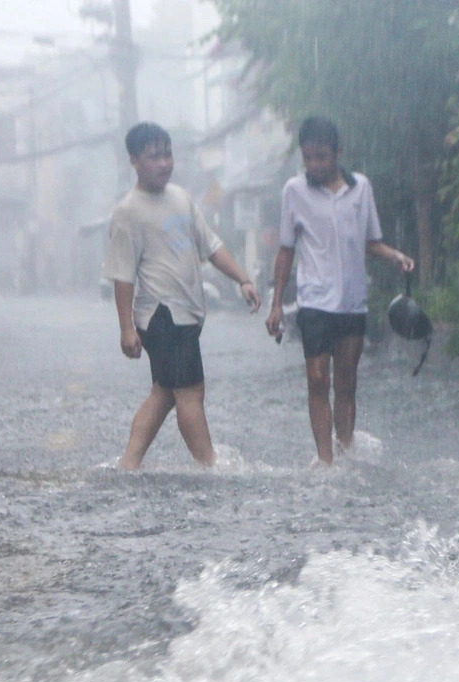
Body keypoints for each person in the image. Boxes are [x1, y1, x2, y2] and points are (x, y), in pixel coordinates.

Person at [104, 122, 259, 469]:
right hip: (162, 316)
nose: (163, 163)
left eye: (167, 154)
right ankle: (209, 467)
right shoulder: (128, 211)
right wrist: (126, 328)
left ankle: (128, 465)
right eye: (153, 156)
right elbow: (122, 275)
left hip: (186, 314)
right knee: (190, 393)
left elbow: (212, 245)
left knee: (163, 394)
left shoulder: (181, 198)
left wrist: (243, 279)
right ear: (134, 161)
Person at [264, 117, 415, 465]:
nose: (314, 165)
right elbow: (286, 250)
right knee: (317, 379)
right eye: (308, 158)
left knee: (346, 383)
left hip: (352, 303)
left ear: (338, 153)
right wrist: (275, 305)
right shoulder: (294, 192)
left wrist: (395, 256)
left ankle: (346, 452)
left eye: (321, 157)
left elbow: (370, 241)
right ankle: (326, 461)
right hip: (314, 301)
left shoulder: (361, 188)